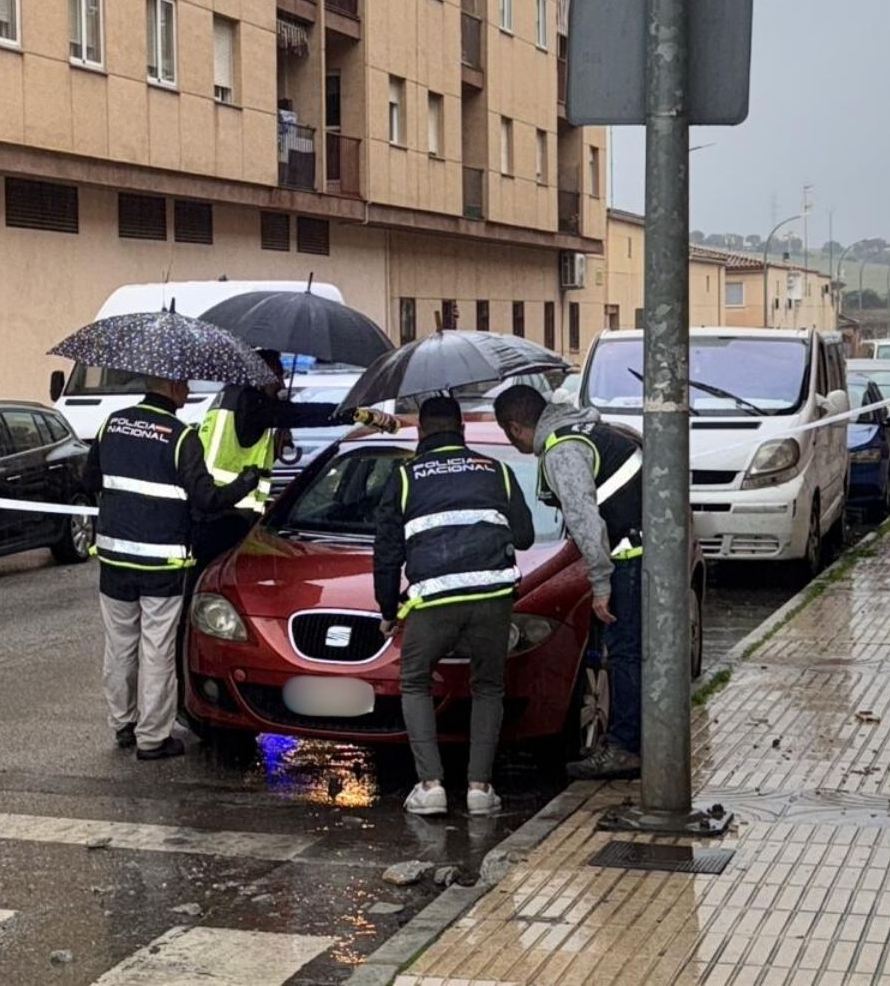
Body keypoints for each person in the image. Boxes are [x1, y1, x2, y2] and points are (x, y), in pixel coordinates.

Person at [84, 377, 262, 761]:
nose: (186, 389)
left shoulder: (111, 424)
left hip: (114, 558)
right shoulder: (181, 437)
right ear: (169, 386)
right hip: (162, 562)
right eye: (182, 383)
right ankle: (152, 739)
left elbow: (88, 479)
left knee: (119, 645)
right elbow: (208, 499)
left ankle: (122, 724)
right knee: (157, 648)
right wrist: (246, 482)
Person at [373, 396, 535, 816]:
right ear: (461, 431)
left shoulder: (405, 476)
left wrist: (388, 611)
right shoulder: (496, 470)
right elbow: (524, 536)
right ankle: (480, 790)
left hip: (434, 600)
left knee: (414, 682)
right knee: (488, 686)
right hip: (492, 597)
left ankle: (431, 787)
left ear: (422, 432)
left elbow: (387, 551)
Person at [493, 383, 646, 779]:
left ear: (514, 428)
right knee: (640, 654)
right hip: (652, 553)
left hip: (630, 559)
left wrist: (601, 584)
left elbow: (583, 518)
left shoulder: (561, 451)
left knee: (626, 653)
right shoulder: (590, 431)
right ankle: (643, 741)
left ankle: (627, 749)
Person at [193, 349, 399, 568]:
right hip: (225, 512)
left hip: (212, 507)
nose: (281, 384)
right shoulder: (249, 401)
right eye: (277, 375)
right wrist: (355, 414)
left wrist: (277, 432)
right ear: (260, 374)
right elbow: (302, 413)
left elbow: (243, 441)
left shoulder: (230, 396)